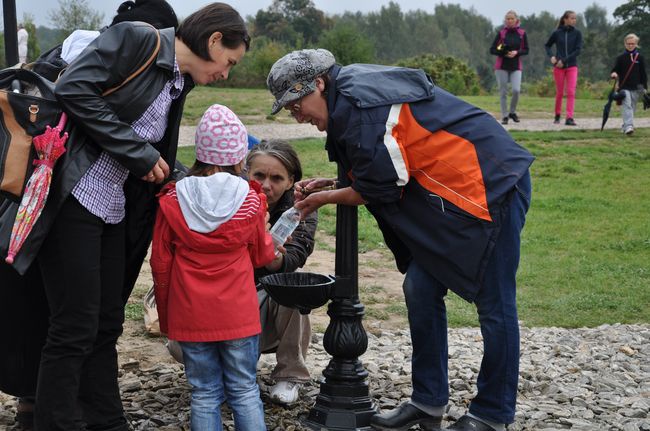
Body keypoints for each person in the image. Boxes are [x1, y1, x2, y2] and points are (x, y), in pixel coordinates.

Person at [0, 3, 251, 430]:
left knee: (105, 322)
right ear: (213, 41)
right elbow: (75, 88)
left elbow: (153, 150)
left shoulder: (177, 81)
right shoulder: (140, 39)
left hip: (111, 206)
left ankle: (107, 421)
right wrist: (137, 153)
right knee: (73, 325)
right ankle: (54, 421)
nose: (226, 73)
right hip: (70, 198)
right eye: (229, 61)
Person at [266, 49, 533, 431]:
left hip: (490, 186)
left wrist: (324, 198)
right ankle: (428, 402)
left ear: (320, 84)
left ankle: (493, 413)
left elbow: (379, 185)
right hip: (449, 195)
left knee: (495, 303)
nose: (297, 114)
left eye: (296, 103)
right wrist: (333, 184)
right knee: (420, 288)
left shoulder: (361, 106)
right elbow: (382, 162)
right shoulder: (350, 98)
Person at [151, 104, 275, 430]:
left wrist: (167, 315)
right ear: (239, 159)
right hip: (238, 315)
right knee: (245, 389)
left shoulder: (174, 199)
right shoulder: (251, 200)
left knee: (204, 392)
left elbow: (160, 263)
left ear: (200, 154)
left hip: (190, 313)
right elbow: (262, 257)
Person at [246, 140, 318, 405]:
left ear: (291, 181)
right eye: (259, 175)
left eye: (276, 178)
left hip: (266, 299)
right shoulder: (233, 197)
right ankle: (230, 368)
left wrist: (272, 254)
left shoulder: (301, 208)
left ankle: (290, 374)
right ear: (245, 173)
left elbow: (293, 260)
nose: (266, 185)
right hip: (228, 297)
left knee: (293, 287)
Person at [489, 10, 528, 125]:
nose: (510, 21)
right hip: (502, 66)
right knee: (503, 92)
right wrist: (503, 52)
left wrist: (517, 52)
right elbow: (492, 49)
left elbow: (526, 49)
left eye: (512, 19)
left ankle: (512, 112)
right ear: (505, 21)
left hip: (516, 66)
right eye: (507, 19)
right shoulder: (501, 33)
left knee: (516, 90)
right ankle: (505, 115)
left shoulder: (522, 33)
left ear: (516, 20)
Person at [545, 10, 582, 126]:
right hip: (558, 68)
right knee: (560, 92)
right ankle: (557, 115)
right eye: (572, 18)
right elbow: (547, 45)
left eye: (575, 18)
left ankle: (569, 118)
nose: (574, 20)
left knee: (571, 92)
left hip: (571, 66)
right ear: (565, 19)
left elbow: (578, 50)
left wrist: (564, 60)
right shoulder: (557, 33)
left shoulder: (577, 33)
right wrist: (551, 56)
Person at [610, 33, 648, 135]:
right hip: (624, 86)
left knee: (632, 107)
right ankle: (629, 127)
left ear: (636, 44)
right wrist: (614, 73)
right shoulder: (621, 58)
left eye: (632, 43)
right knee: (627, 105)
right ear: (625, 44)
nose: (630, 45)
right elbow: (615, 70)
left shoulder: (640, 58)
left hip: (637, 87)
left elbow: (643, 74)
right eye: (628, 44)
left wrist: (645, 87)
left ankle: (625, 125)